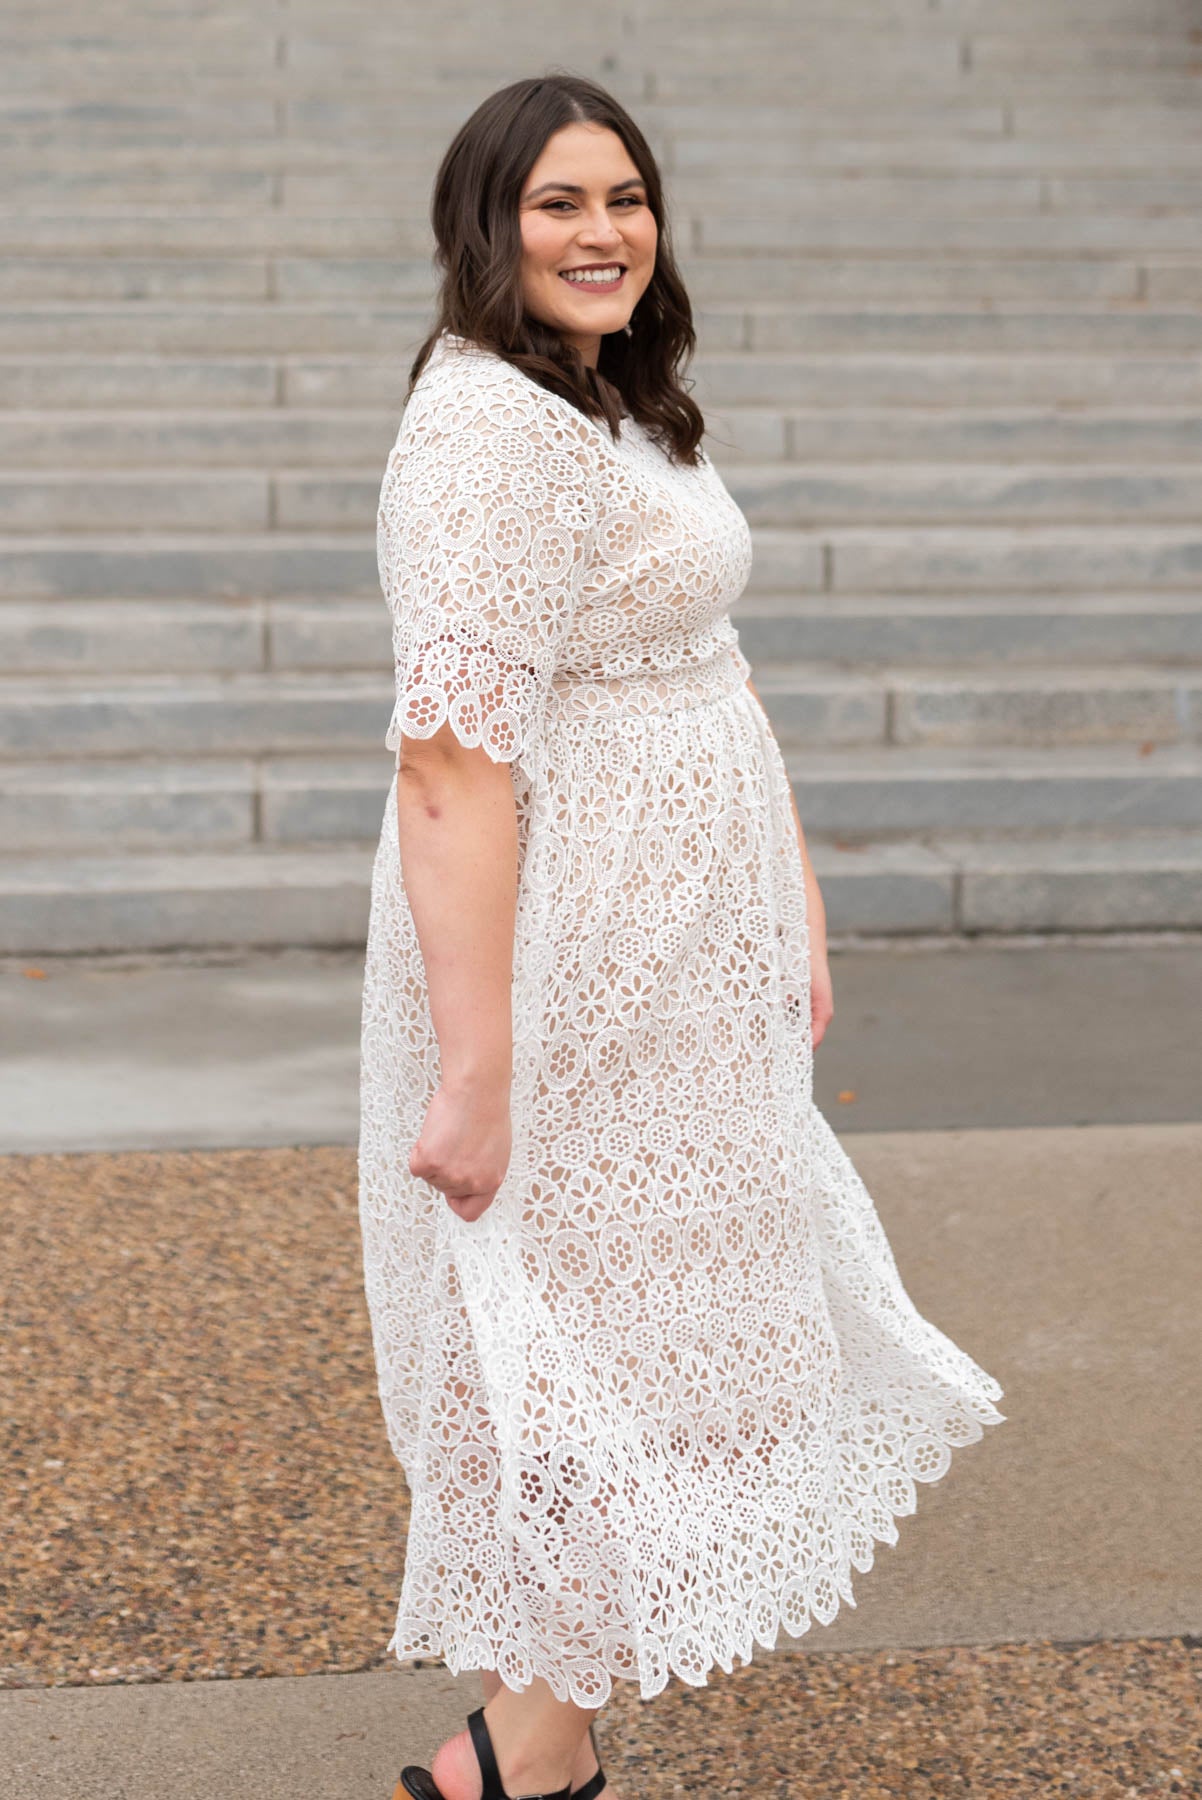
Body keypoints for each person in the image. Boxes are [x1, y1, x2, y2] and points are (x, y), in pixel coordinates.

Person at [357, 71, 1006, 1800]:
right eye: (556, 202)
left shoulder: (610, 405)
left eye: (623, 197)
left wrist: (780, 879)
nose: (599, 231)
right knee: (561, 1320)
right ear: (485, 227)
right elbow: (446, 761)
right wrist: (479, 1061)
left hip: (679, 934)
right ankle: (527, 1746)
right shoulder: (486, 428)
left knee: (658, 1318)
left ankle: (536, 1736)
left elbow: (701, 667)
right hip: (570, 946)